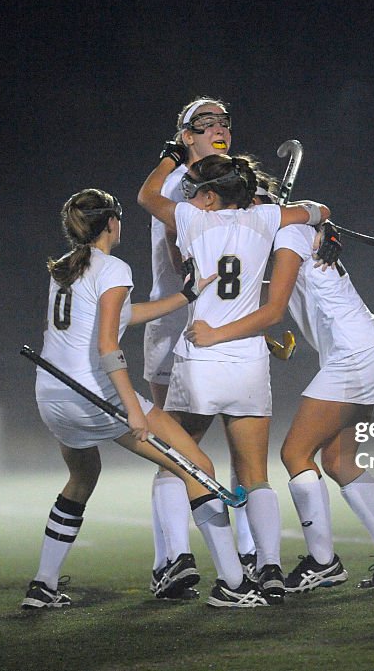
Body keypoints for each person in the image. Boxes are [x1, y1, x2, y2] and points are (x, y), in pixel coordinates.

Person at [23, 188, 267, 609]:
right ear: (112, 223)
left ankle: (42, 586)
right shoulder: (113, 267)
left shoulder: (64, 267)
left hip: (52, 395)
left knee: (82, 478)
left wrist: (187, 296)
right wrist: (133, 410)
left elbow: (124, 315)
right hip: (95, 395)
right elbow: (107, 346)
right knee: (199, 467)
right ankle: (234, 584)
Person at [187, 182, 374, 593]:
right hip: (367, 346)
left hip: (354, 353)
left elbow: (273, 306)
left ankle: (323, 561)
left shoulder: (285, 234)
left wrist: (217, 333)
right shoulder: (285, 234)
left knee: (295, 453)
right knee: (338, 460)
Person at [138, 152, 330, 602]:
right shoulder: (266, 218)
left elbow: (147, 196)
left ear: (208, 196)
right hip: (248, 363)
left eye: (196, 190)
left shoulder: (191, 218)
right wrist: (315, 218)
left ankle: (190, 563)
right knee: (255, 475)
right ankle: (271, 569)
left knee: (178, 461)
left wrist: (169, 159)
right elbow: (319, 210)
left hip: (201, 359)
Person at [142, 97, 260, 599]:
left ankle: (252, 552)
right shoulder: (178, 187)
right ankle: (171, 558)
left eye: (224, 121)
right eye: (204, 122)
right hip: (175, 328)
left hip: (221, 330)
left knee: (242, 445)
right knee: (176, 450)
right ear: (184, 135)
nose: (219, 128)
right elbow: (179, 249)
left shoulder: (231, 183)